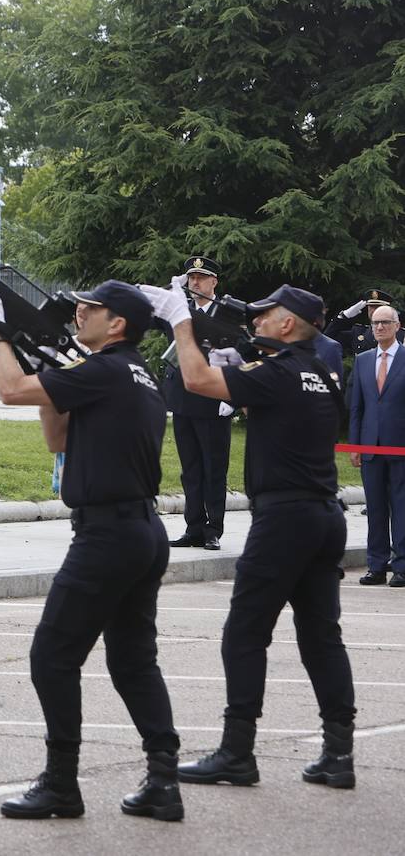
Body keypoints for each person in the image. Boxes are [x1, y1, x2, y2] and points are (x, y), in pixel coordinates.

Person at [0, 279, 183, 822]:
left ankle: (61, 784)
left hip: (108, 534)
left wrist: (1, 337)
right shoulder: (134, 373)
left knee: (53, 655)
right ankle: (163, 779)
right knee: (134, 661)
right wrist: (53, 374)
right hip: (139, 530)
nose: (78, 312)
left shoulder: (108, 369)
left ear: (117, 323)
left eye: (89, 307)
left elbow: (9, 391)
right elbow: (58, 440)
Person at [144, 282, 357, 793]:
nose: (256, 322)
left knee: (244, 632)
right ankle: (339, 753)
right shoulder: (322, 374)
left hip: (284, 517)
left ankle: (236, 753)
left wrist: (180, 319)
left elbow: (195, 380)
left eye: (265, 316)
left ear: (288, 324)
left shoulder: (276, 373)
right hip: (325, 514)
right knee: (322, 635)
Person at [162, 256, 235, 551]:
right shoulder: (180, 309)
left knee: (213, 467)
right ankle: (193, 527)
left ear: (213, 282)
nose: (195, 282)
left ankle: (212, 528)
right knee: (190, 468)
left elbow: (237, 354)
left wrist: (231, 396)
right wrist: (171, 288)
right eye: (191, 277)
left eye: (201, 277)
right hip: (183, 398)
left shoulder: (227, 311)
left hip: (213, 399)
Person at [349, 305, 405, 586]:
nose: (379, 327)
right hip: (371, 447)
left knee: (402, 506)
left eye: (385, 322)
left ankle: (402, 566)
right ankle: (376, 565)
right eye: (375, 323)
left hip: (400, 448)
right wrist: (356, 445)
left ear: (397, 326)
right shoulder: (363, 360)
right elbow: (357, 407)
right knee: (376, 508)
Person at [326, 288, 397, 356]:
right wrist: (343, 317)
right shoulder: (358, 332)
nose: (373, 310)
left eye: (377, 307)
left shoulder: (400, 334)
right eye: (371, 306)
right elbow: (327, 340)